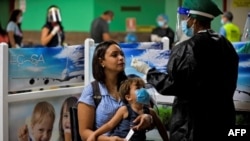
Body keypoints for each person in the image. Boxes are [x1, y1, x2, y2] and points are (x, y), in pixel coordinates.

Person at [131, 0, 239, 141]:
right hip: (223, 120)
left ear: (193, 20)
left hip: (192, 127)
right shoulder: (227, 46)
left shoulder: (187, 48)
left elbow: (173, 85)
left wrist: (147, 71)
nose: (183, 22)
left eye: (185, 18)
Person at [77, 40, 153, 141]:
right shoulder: (92, 91)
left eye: (122, 54)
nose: (121, 58)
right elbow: (84, 132)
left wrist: (148, 119)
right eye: (114, 55)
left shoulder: (133, 86)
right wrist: (109, 140)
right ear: (101, 62)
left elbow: (150, 115)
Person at [86, 77, 169, 141]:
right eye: (138, 88)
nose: (143, 90)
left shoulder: (150, 112)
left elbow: (161, 127)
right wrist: (94, 134)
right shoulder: (124, 110)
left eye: (143, 87)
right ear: (128, 97)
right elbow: (109, 125)